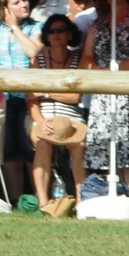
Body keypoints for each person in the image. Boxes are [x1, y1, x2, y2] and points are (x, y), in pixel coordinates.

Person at [84, 0, 129, 194]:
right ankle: (112, 194)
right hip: (103, 92)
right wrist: (98, 71)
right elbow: (86, 57)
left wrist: (117, 71)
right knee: (107, 148)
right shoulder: (98, 24)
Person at [28, 14, 87, 209]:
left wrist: (46, 91)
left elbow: (75, 97)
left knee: (79, 145)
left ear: (70, 34)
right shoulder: (37, 60)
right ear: (46, 35)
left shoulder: (78, 59)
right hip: (41, 114)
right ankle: (43, 202)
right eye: (51, 31)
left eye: (61, 30)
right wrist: (40, 121)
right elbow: (31, 98)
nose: (56, 34)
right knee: (43, 143)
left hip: (71, 116)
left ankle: (81, 201)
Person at [0, 0, 42, 201]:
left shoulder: (36, 27)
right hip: (2, 97)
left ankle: (40, 198)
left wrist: (15, 29)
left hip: (29, 97)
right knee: (10, 150)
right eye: (17, 2)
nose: (23, 4)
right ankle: (16, 200)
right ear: (5, 8)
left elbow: (33, 51)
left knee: (29, 149)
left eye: (24, 0)